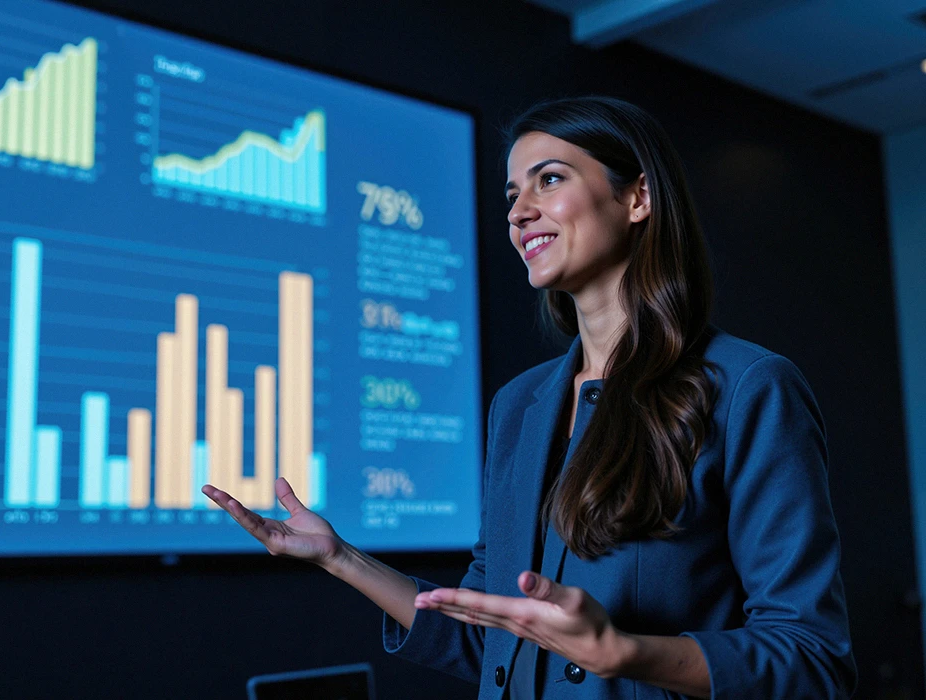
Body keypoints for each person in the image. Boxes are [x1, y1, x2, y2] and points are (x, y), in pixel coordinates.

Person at [202, 95, 857, 699]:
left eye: (550, 180)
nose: (517, 212)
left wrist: (624, 652)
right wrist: (342, 558)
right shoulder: (518, 406)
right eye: (512, 193)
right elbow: (493, 637)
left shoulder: (748, 387)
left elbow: (813, 657)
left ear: (637, 198)